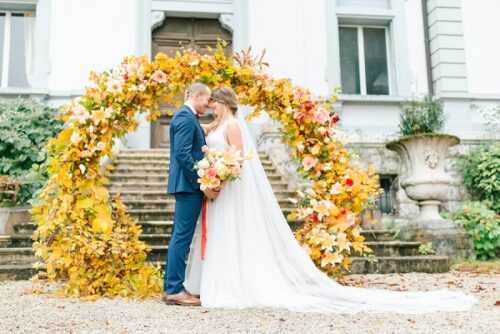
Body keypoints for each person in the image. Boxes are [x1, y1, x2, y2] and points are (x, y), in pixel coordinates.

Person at [184, 86, 477, 313]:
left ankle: (233, 285)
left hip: (229, 187)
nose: (209, 108)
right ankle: (221, 283)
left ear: (222, 103)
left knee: (233, 232)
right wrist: (210, 169)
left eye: (212, 104)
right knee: (223, 234)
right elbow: (212, 145)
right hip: (218, 189)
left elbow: (238, 160)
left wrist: (219, 176)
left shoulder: (233, 126)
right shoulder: (217, 126)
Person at [163, 83, 218, 306]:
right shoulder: (185, 118)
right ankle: (174, 289)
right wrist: (202, 178)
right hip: (188, 185)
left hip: (186, 185)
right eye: (206, 100)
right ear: (196, 96)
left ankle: (172, 287)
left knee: (181, 236)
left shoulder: (187, 116)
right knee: (182, 237)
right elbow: (183, 155)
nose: (208, 105)